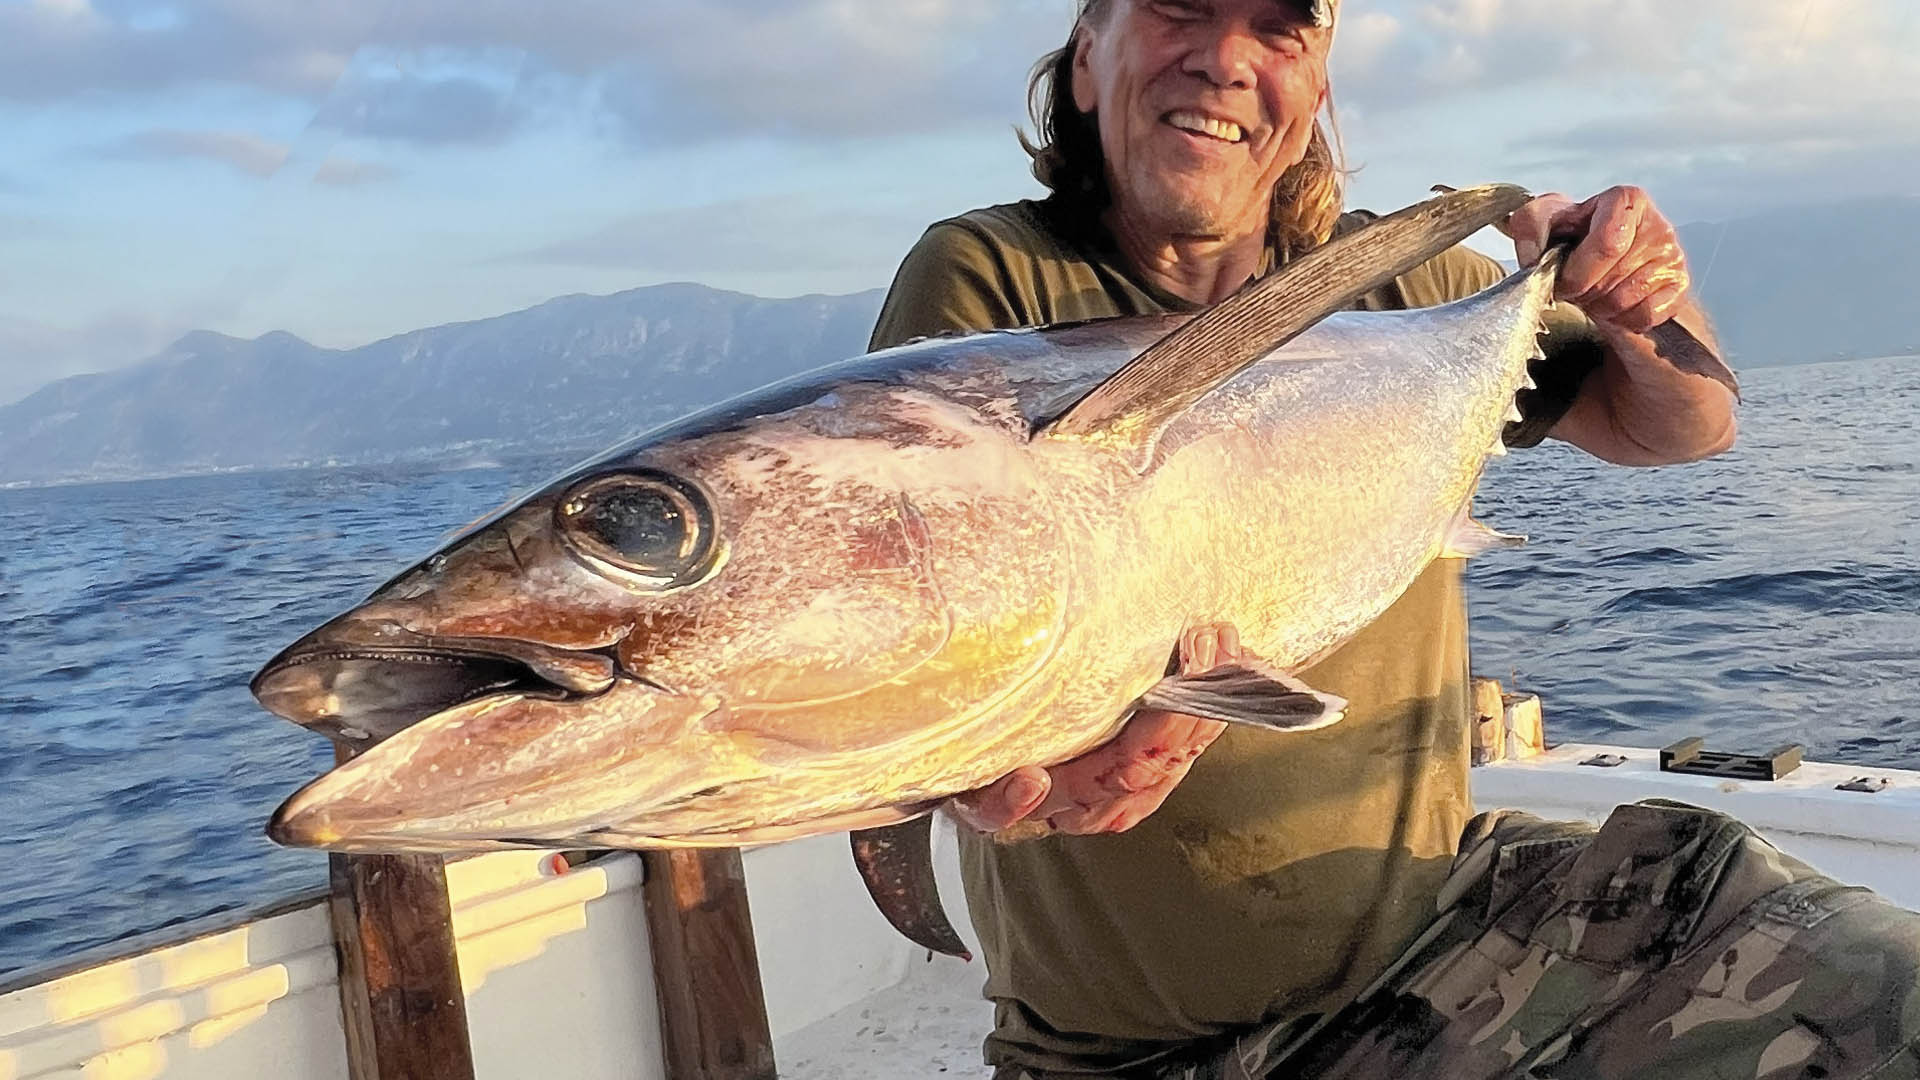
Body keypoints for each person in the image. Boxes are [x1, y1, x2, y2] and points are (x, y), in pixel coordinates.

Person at [868, 2, 1920, 1078]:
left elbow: (1684, 428)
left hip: (1445, 945)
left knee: (1892, 989)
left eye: (1277, 30)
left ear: (1316, 84)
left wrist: (1642, 300)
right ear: (1087, 59)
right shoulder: (988, 276)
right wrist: (994, 758)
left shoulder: (1415, 288)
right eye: (1179, 5)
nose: (1226, 61)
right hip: (1128, 1051)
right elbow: (938, 602)